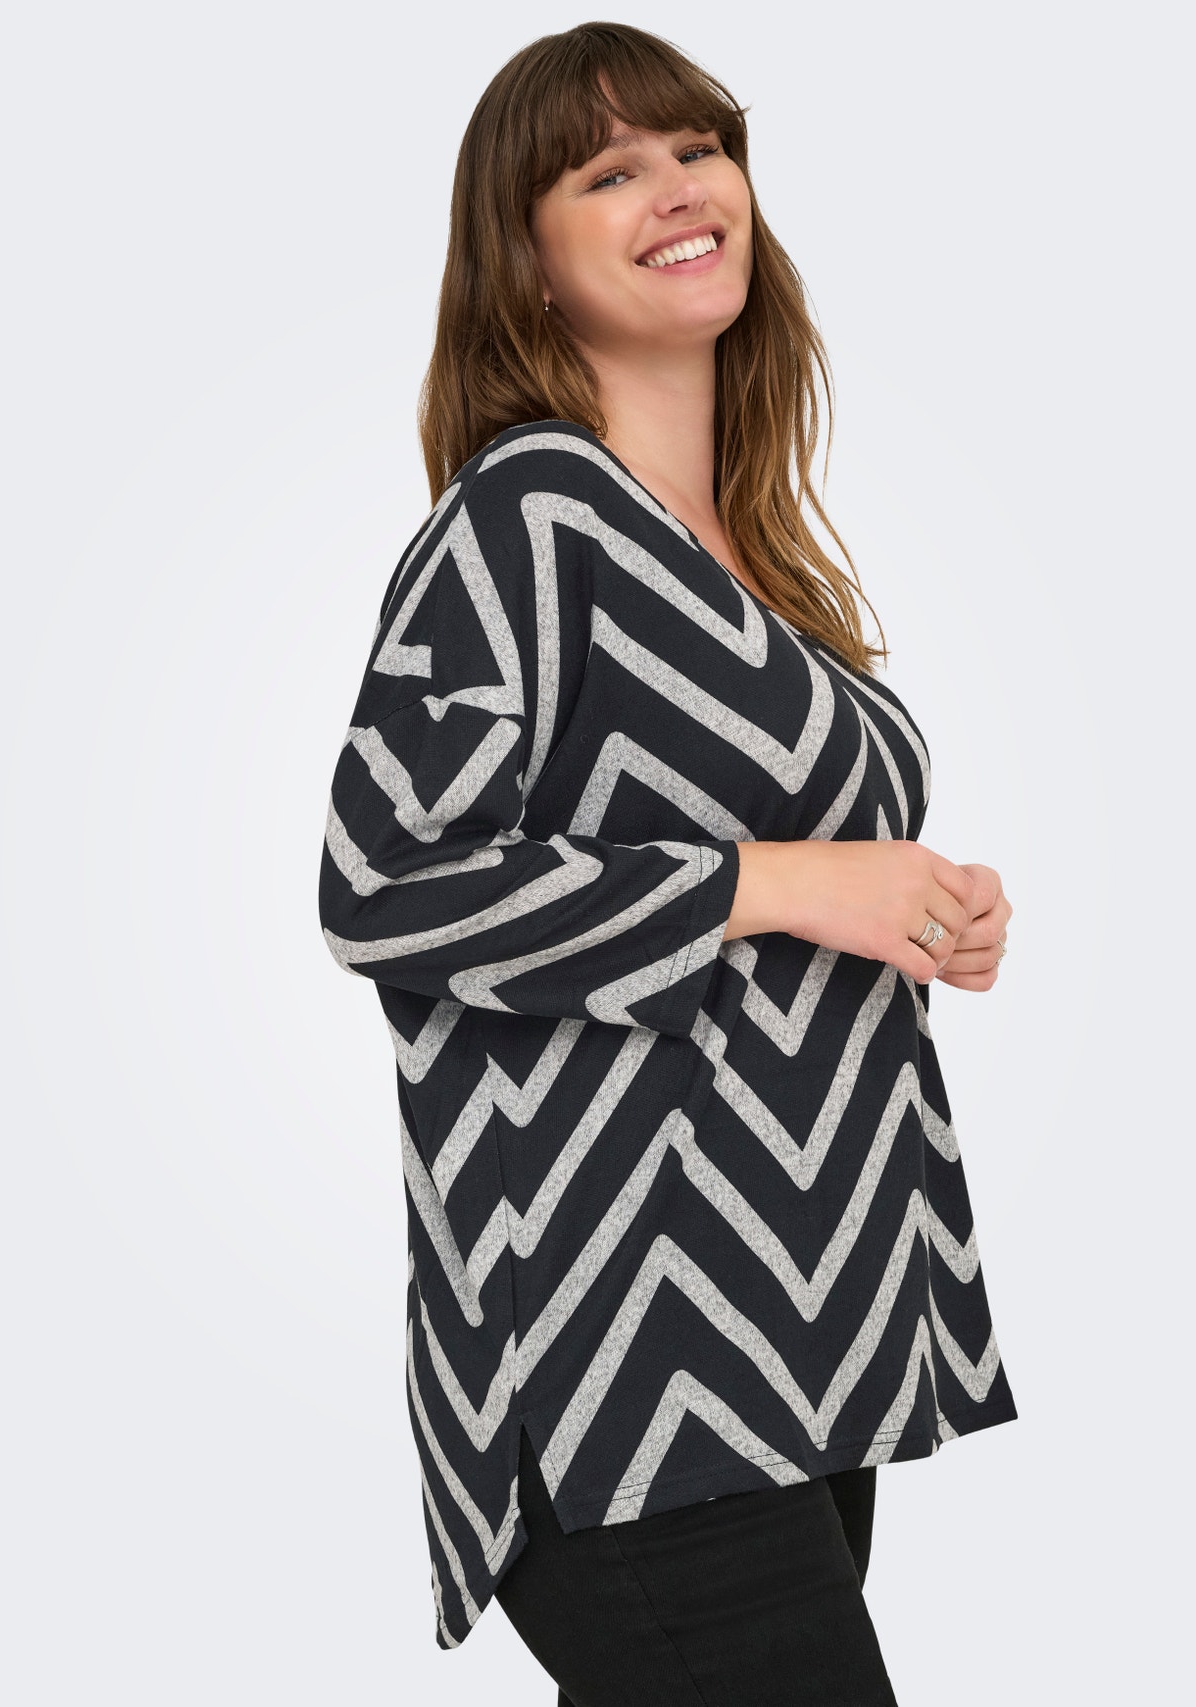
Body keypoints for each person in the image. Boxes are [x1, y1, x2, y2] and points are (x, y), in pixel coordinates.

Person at [318, 20, 1017, 1703]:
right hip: (628, 1357)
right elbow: (381, 881)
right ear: (527, 259)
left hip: (801, 1342)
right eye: (608, 171)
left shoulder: (754, 558)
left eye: (699, 149)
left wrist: (921, 907)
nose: (680, 188)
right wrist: (774, 882)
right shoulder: (528, 518)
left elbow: (783, 875)